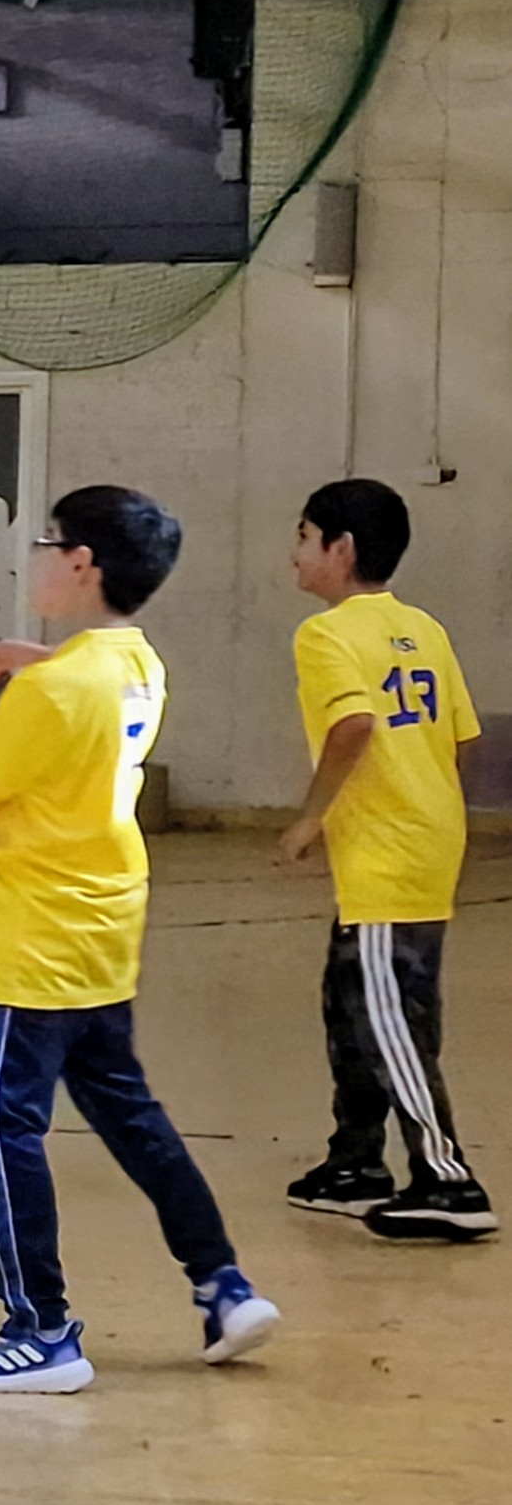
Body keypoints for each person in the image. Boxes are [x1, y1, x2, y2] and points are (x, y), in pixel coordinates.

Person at [0, 482, 276, 1393]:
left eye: (45, 543)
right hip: (104, 930)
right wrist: (23, 655)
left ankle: (38, 1331)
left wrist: (22, 683)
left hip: (31, 947)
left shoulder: (45, 695)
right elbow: (85, 679)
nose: (34, 558)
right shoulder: (136, 662)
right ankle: (221, 1284)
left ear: (80, 563)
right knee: (129, 1113)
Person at [279, 476, 491, 1238]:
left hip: (382, 852)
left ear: (341, 549)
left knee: (387, 1017)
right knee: (352, 1002)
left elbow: (352, 728)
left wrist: (309, 819)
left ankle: (446, 1178)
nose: (295, 555)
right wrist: (431, 808)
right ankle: (354, 1162)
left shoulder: (326, 635)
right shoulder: (423, 628)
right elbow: (464, 739)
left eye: (304, 537)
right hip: (428, 839)